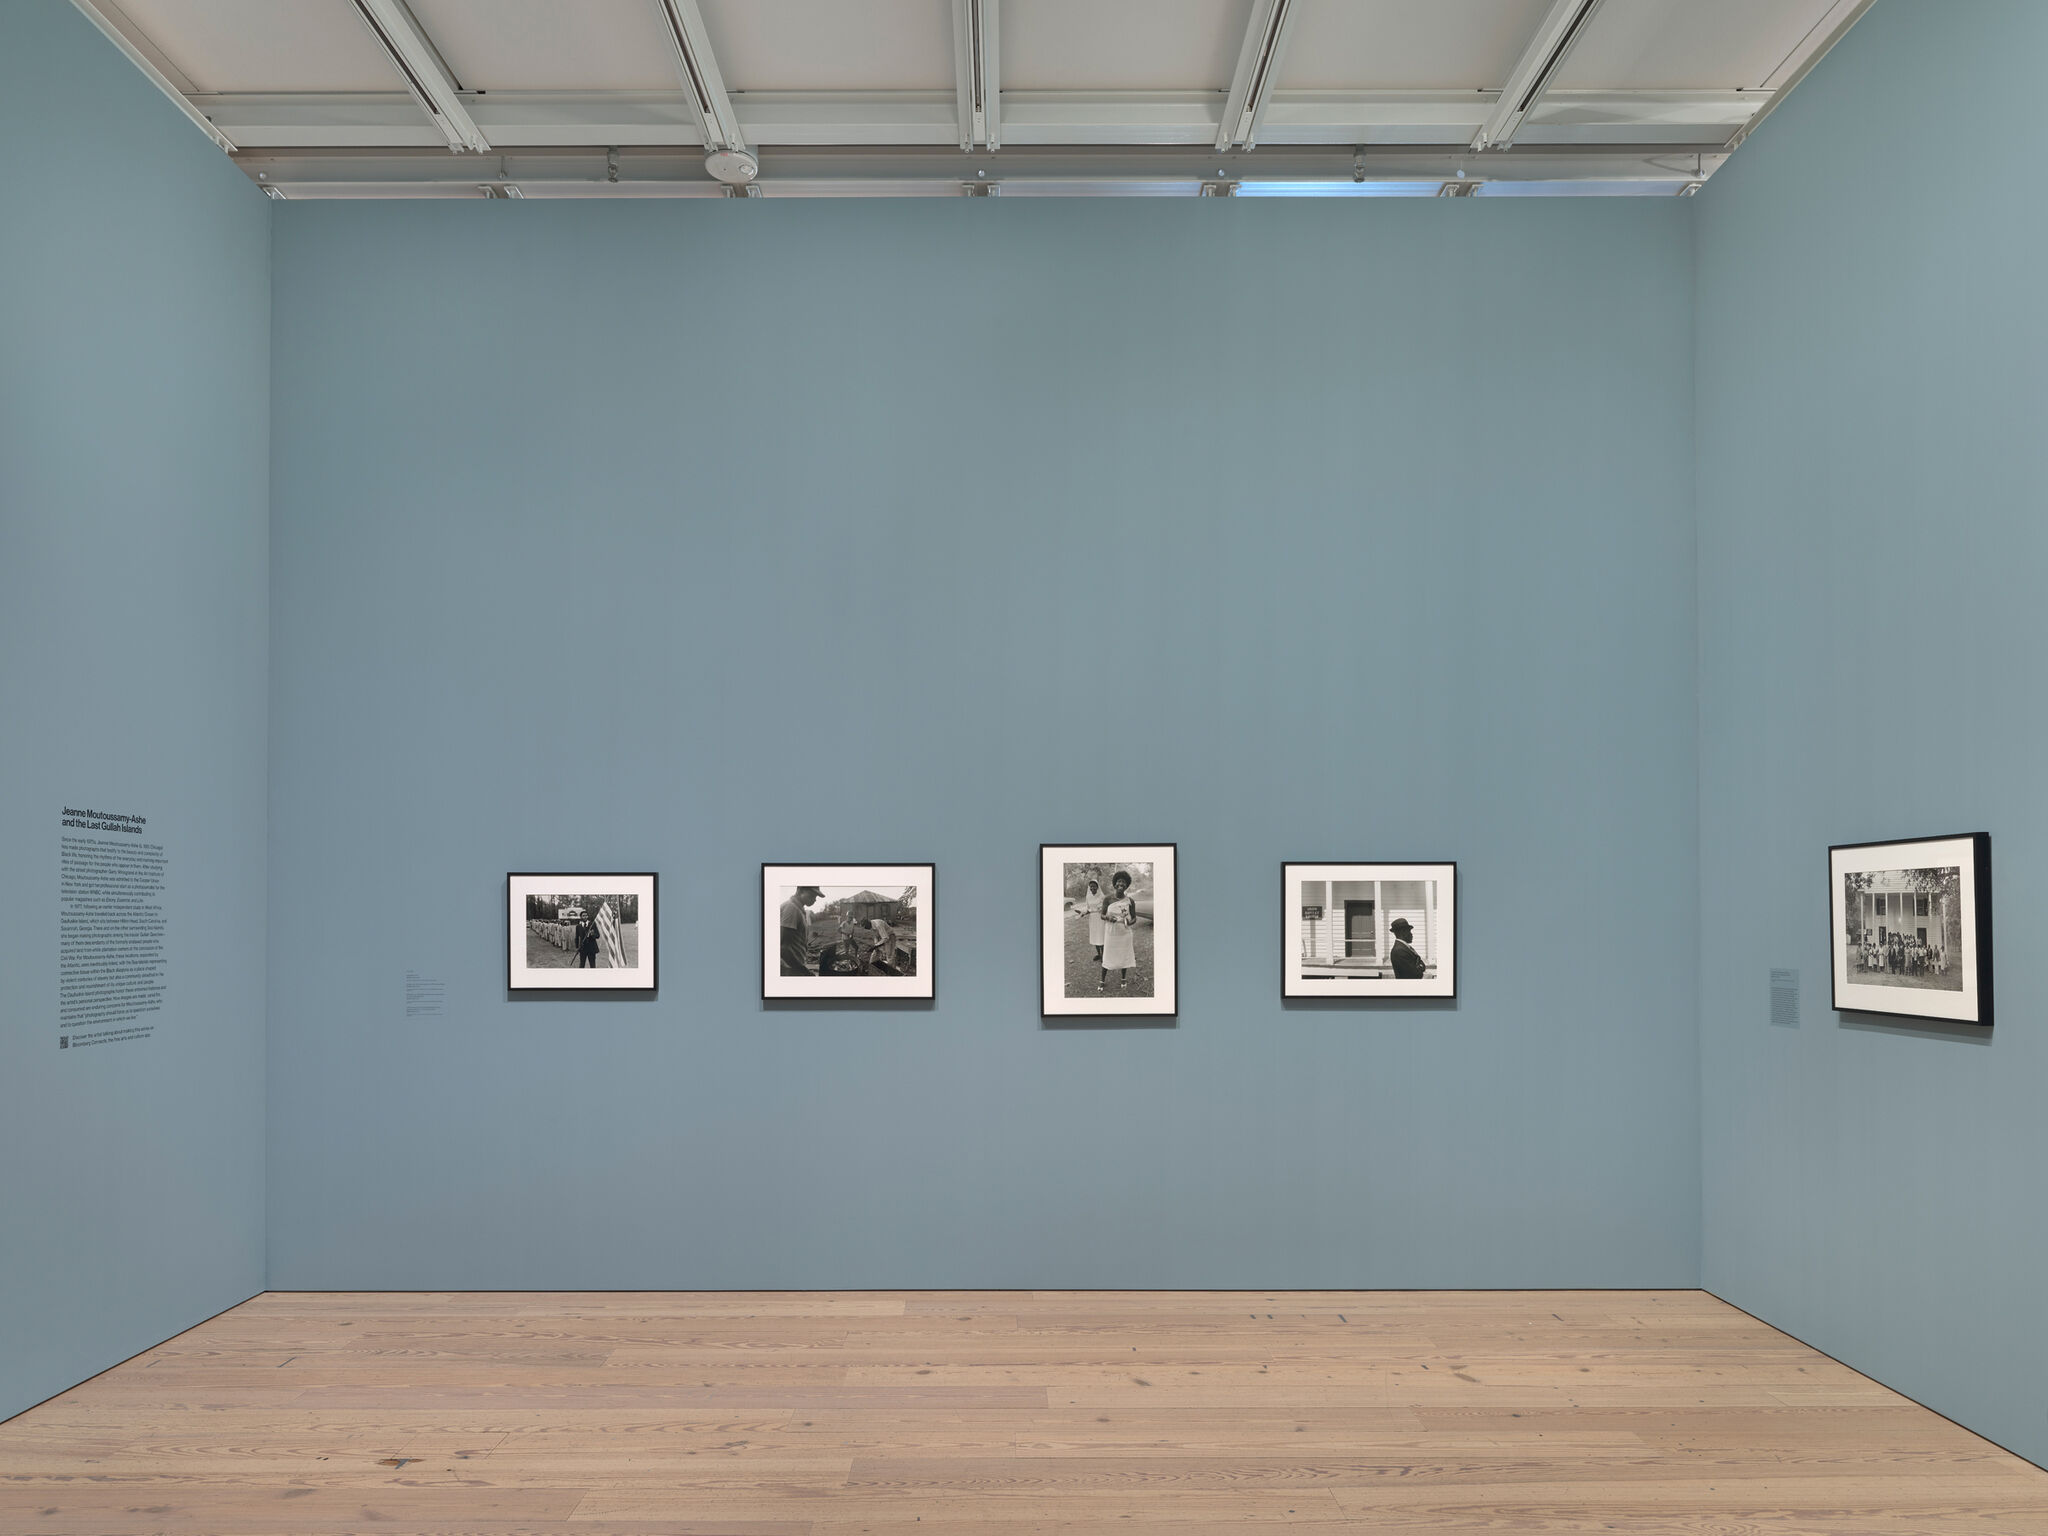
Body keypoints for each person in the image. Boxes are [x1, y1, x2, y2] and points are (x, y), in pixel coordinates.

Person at [1100, 870, 1140, 989]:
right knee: (1107, 954)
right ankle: (1102, 980)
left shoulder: (1130, 901)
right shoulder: (1108, 899)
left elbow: (1134, 918)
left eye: (1123, 882)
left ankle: (1123, 978)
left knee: (1124, 955)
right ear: (1114, 884)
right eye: (1119, 881)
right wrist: (1107, 917)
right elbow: (1102, 915)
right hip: (1111, 933)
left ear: (1126, 885)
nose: (1121, 884)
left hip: (1124, 934)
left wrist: (1128, 922)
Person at [779, 886, 822, 976]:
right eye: (812, 895)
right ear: (800, 891)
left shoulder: (799, 909)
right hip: (790, 968)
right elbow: (783, 948)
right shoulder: (791, 908)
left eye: (816, 897)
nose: (814, 899)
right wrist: (804, 971)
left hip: (794, 965)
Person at [1076, 876, 1108, 963]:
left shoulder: (1102, 896)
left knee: (1101, 936)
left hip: (1100, 918)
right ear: (1089, 888)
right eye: (1091, 886)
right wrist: (1082, 913)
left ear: (1097, 887)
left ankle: (1104, 955)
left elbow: (1104, 908)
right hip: (1092, 919)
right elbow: (1088, 908)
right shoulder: (1088, 897)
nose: (1092, 888)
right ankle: (1099, 954)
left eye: (1094, 886)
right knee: (1095, 936)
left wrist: (1099, 911)